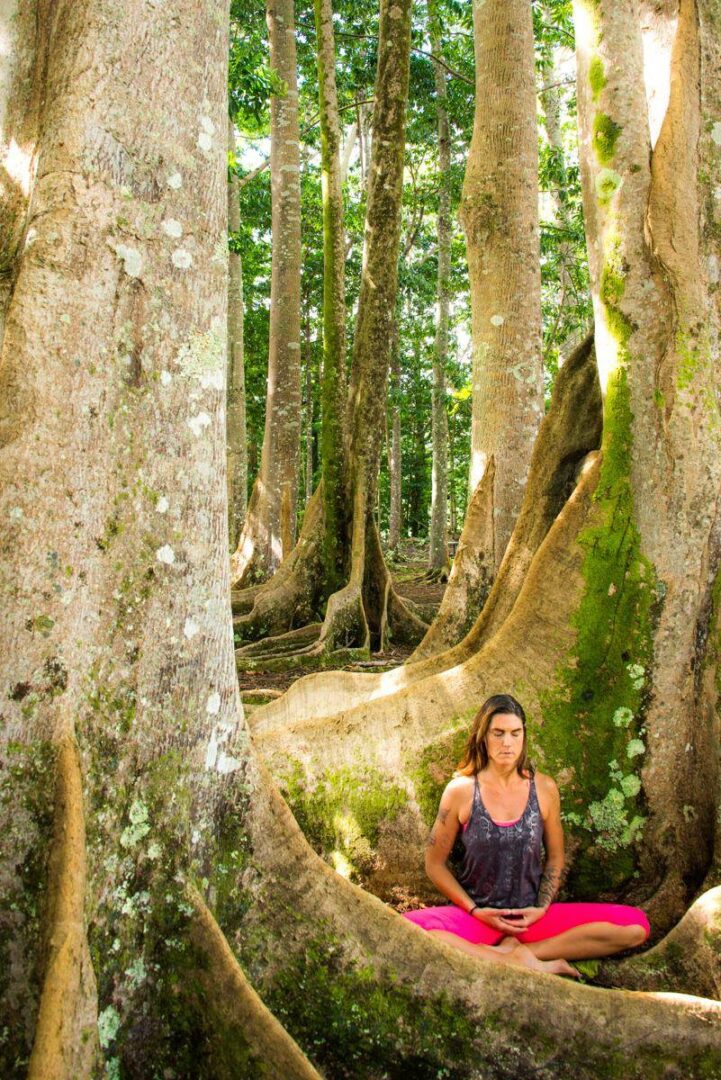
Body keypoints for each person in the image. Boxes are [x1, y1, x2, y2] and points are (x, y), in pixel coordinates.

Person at [403, 693, 650, 977]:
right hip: (477, 919)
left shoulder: (544, 789)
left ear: (524, 737)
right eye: (498, 733)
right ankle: (508, 958)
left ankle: (522, 954)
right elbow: (434, 864)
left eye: (514, 733)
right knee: (406, 930)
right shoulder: (460, 791)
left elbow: (556, 857)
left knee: (635, 927)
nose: (507, 743)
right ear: (483, 737)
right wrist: (474, 911)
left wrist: (541, 908)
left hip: (529, 920)